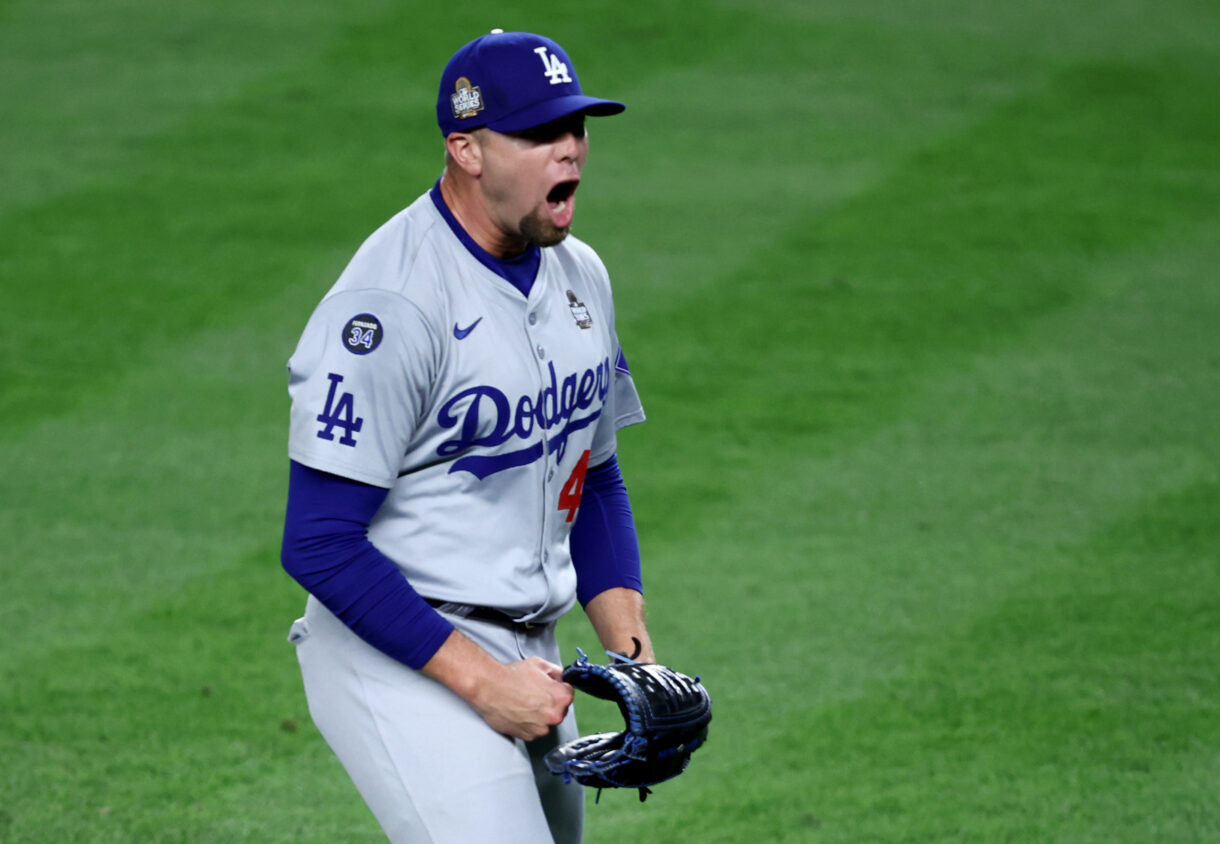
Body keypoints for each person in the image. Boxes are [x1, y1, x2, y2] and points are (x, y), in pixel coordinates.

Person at [279, 29, 655, 844]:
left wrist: (634, 657)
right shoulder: (391, 306)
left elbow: (593, 479)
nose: (569, 153)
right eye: (538, 135)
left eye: (576, 129)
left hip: (530, 651)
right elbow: (318, 542)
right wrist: (484, 684)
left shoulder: (581, 275)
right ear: (466, 149)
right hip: (398, 651)